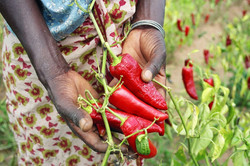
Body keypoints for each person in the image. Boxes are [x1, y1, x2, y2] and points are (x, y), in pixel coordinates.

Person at [0, 0, 166, 165]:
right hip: (39, 46)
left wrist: (147, 19)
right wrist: (53, 72)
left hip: (126, 36)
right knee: (51, 148)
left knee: (124, 141)